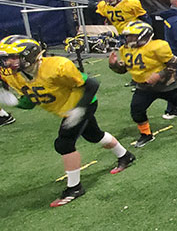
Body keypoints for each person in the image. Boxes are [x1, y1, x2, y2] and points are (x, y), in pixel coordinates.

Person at [0, 35, 135, 207]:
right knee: (94, 135)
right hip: (65, 109)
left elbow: (91, 85)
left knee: (64, 144)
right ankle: (126, 156)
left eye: (11, 58)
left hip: (82, 103)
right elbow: (31, 101)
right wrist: (15, 102)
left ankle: (74, 188)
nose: (7, 63)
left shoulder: (57, 66)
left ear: (28, 55)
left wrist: (79, 110)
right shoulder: (14, 75)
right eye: (4, 59)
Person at [109, 21, 177, 147]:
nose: (128, 39)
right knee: (136, 110)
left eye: (131, 36)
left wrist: (160, 75)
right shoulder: (125, 50)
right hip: (144, 86)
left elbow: (175, 63)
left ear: (143, 35)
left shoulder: (157, 46)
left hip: (167, 86)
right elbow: (123, 69)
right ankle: (146, 134)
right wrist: (114, 65)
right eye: (127, 36)